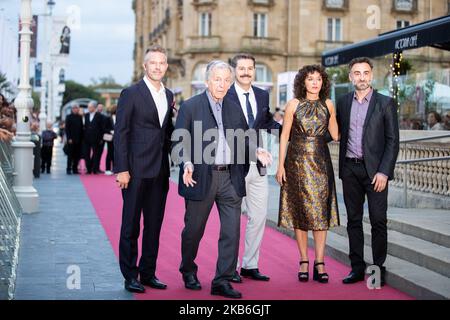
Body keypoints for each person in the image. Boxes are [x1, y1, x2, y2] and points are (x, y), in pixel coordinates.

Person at [173, 60, 271, 299]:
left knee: (231, 231)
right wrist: (186, 163)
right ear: (207, 81)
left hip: (230, 177)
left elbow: (244, 138)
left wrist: (255, 150)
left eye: (227, 80)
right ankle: (188, 269)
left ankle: (222, 280)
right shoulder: (190, 106)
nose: (223, 84)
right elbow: (179, 141)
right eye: (218, 79)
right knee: (193, 230)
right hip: (200, 177)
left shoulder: (234, 107)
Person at [114, 45, 174, 294]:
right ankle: (130, 276)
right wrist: (122, 169)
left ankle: (148, 273)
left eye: (162, 63)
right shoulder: (131, 93)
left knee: (154, 225)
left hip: (160, 171)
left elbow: (167, 132)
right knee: (130, 225)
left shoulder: (169, 95)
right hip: (135, 170)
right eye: (153, 63)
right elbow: (121, 132)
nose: (158, 67)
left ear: (166, 66)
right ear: (145, 66)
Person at [336, 57, 399, 286]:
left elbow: (393, 141)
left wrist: (384, 172)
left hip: (375, 173)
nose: (361, 77)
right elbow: (335, 132)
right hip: (350, 169)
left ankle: (378, 269)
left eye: (365, 73)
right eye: (356, 73)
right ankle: (356, 268)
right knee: (353, 220)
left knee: (378, 220)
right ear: (350, 77)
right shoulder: (343, 102)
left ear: (371, 75)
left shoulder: (385, 103)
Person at [276, 65, 340, 284]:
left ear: (323, 83)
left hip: (321, 164)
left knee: (321, 213)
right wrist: (280, 166)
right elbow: (284, 136)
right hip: (296, 164)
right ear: (302, 82)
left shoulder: (328, 105)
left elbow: (335, 134)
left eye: (318, 79)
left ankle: (320, 262)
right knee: (300, 212)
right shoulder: (293, 104)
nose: (315, 82)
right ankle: (304, 259)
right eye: (310, 79)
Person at [226, 53, 281, 282]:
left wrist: (287, 128)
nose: (246, 72)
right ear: (233, 71)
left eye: (250, 68)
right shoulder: (225, 95)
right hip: (233, 166)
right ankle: (230, 267)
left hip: (258, 167)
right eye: (242, 68)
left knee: (258, 217)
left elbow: (265, 121)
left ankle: (250, 264)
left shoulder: (261, 94)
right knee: (232, 220)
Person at [83, 102, 104, 174]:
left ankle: (95, 169)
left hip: (96, 138)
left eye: (90, 107)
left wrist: (101, 138)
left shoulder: (100, 116)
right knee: (86, 154)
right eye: (88, 107)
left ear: (94, 108)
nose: (89, 108)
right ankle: (88, 169)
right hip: (86, 138)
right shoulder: (85, 115)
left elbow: (102, 128)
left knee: (95, 154)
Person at [65, 104, 84, 174]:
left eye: (77, 108)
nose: (75, 109)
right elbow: (67, 129)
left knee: (77, 155)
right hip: (71, 140)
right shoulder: (68, 117)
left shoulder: (80, 117)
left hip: (79, 139)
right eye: (74, 108)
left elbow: (82, 128)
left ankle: (75, 169)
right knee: (70, 155)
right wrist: (69, 138)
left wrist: (82, 139)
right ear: (72, 109)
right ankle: (68, 169)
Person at [104, 105, 116, 176]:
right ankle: (107, 169)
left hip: (118, 139)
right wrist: (111, 131)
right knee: (109, 153)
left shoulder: (121, 117)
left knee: (116, 154)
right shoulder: (108, 118)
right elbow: (104, 128)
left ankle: (115, 169)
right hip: (110, 138)